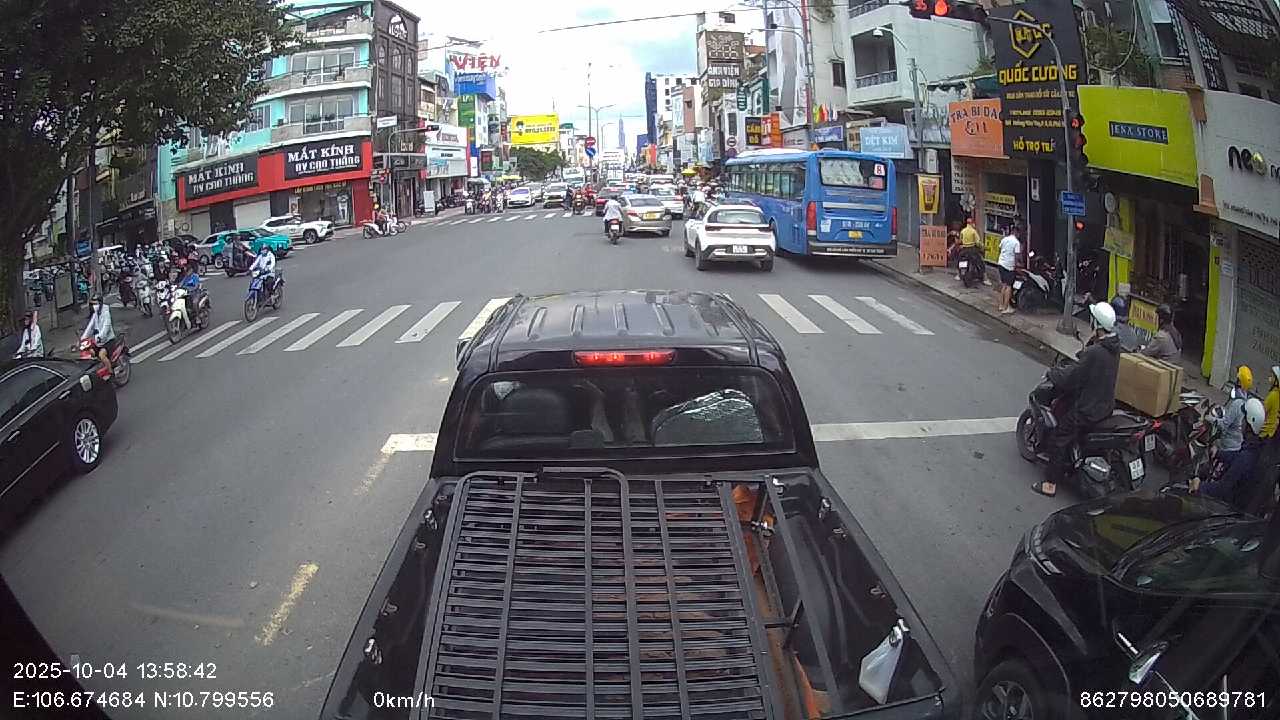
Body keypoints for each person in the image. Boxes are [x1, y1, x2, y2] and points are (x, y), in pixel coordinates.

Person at [1031, 302, 1122, 497]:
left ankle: (1050, 484)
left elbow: (1072, 377)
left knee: (1060, 435)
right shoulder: (1114, 347)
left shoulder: (1096, 352)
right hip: (1105, 405)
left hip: (1089, 408)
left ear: (1097, 324)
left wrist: (1053, 374)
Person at [1193, 397, 1267, 511]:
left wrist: (1199, 486)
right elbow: (1235, 456)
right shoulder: (1252, 448)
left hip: (1228, 508)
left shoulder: (1246, 458)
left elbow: (1222, 489)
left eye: (1244, 419)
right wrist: (1218, 453)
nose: (1241, 422)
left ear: (1248, 424)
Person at [80, 294, 116, 376]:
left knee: (101, 355)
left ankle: (111, 373)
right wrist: (83, 338)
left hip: (108, 341)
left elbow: (106, 326)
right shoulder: (95, 314)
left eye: (95, 304)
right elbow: (90, 327)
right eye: (92, 304)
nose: (94, 306)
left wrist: (101, 336)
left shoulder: (106, 313)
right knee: (90, 353)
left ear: (100, 303)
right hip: (98, 341)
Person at [997, 224, 1022, 315]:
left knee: (1003, 285)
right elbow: (1017, 256)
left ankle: (1001, 305)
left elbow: (999, 250)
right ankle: (1006, 307)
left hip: (1001, 264)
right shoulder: (1016, 242)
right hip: (1009, 266)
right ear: (1016, 233)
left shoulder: (1004, 239)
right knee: (1008, 286)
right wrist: (1017, 266)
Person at [955, 217, 986, 284]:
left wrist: (961, 244)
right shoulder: (973, 231)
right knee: (980, 263)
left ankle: (958, 275)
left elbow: (960, 241)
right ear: (972, 223)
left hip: (964, 250)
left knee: (959, 261)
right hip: (972, 250)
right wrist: (982, 246)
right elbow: (978, 242)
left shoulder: (963, 231)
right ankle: (985, 278)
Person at [1262, 366, 1279, 441]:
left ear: (1276, 381)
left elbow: (1263, 411)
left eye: (1272, 376)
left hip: (1264, 432)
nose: (1270, 378)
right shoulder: (1277, 394)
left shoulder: (1273, 395)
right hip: (1271, 432)